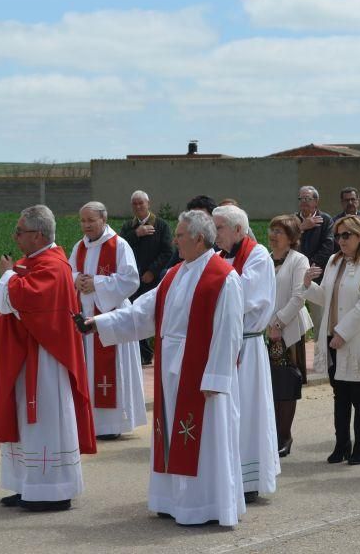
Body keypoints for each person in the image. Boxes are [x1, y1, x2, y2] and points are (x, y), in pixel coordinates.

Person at [87, 210, 245, 527]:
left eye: (181, 235)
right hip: (170, 368)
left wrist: (216, 377)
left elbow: (229, 332)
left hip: (201, 375)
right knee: (170, 433)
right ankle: (172, 500)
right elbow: (142, 314)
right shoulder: (174, 273)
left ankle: (204, 505)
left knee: (204, 438)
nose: (175, 240)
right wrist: (98, 323)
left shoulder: (223, 277)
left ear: (199, 239)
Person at [0, 205, 96, 512]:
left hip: (47, 359)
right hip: (25, 357)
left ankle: (53, 490)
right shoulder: (30, 262)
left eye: (20, 231)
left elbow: (30, 298)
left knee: (46, 422)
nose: (16, 237)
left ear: (38, 234)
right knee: (24, 420)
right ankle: (27, 484)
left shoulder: (55, 265)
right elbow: (14, 296)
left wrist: (7, 275)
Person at [213, 204, 278, 503]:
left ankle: (248, 479)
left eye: (220, 228)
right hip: (223, 344)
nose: (215, 234)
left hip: (247, 346)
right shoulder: (217, 256)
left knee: (248, 411)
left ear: (239, 229)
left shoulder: (258, 255)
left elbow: (249, 296)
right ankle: (224, 473)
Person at [304, 215, 360, 466]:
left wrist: (343, 333)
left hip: (356, 337)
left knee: (359, 393)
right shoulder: (334, 261)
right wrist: (307, 285)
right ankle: (341, 445)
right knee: (340, 394)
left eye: (346, 235)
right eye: (338, 235)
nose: (341, 240)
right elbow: (326, 296)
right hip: (332, 335)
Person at [71, 201, 146, 440]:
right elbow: (69, 272)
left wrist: (97, 283)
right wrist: (77, 281)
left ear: (104, 220)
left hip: (111, 319)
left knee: (110, 373)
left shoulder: (119, 245)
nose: (86, 225)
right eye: (83, 221)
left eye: (91, 220)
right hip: (86, 319)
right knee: (88, 369)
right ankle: (90, 421)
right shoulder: (79, 247)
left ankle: (112, 424)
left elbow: (131, 280)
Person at [266, 215, 313, 458]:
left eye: (279, 231)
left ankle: (285, 435)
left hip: (288, 330)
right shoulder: (264, 257)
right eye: (272, 230)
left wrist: (277, 323)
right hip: (265, 332)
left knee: (285, 384)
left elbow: (299, 296)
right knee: (269, 385)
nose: (273, 235)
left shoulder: (298, 260)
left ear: (292, 237)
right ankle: (271, 434)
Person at [119, 190, 174, 365]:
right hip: (133, 281)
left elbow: (167, 252)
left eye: (141, 203)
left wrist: (153, 271)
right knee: (136, 314)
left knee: (156, 316)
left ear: (148, 204)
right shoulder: (129, 227)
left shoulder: (161, 225)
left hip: (153, 280)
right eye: (134, 203)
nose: (138, 206)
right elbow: (120, 246)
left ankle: (160, 352)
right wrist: (137, 234)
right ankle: (143, 354)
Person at [296, 185, 335, 379]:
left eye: (307, 199)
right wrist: (302, 227)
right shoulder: (293, 221)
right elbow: (287, 240)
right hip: (295, 279)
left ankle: (323, 362)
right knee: (295, 321)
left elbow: (328, 245)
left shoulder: (326, 220)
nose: (304, 202)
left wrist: (312, 267)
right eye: (301, 199)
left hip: (317, 276)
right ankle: (296, 363)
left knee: (321, 321)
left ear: (316, 201)